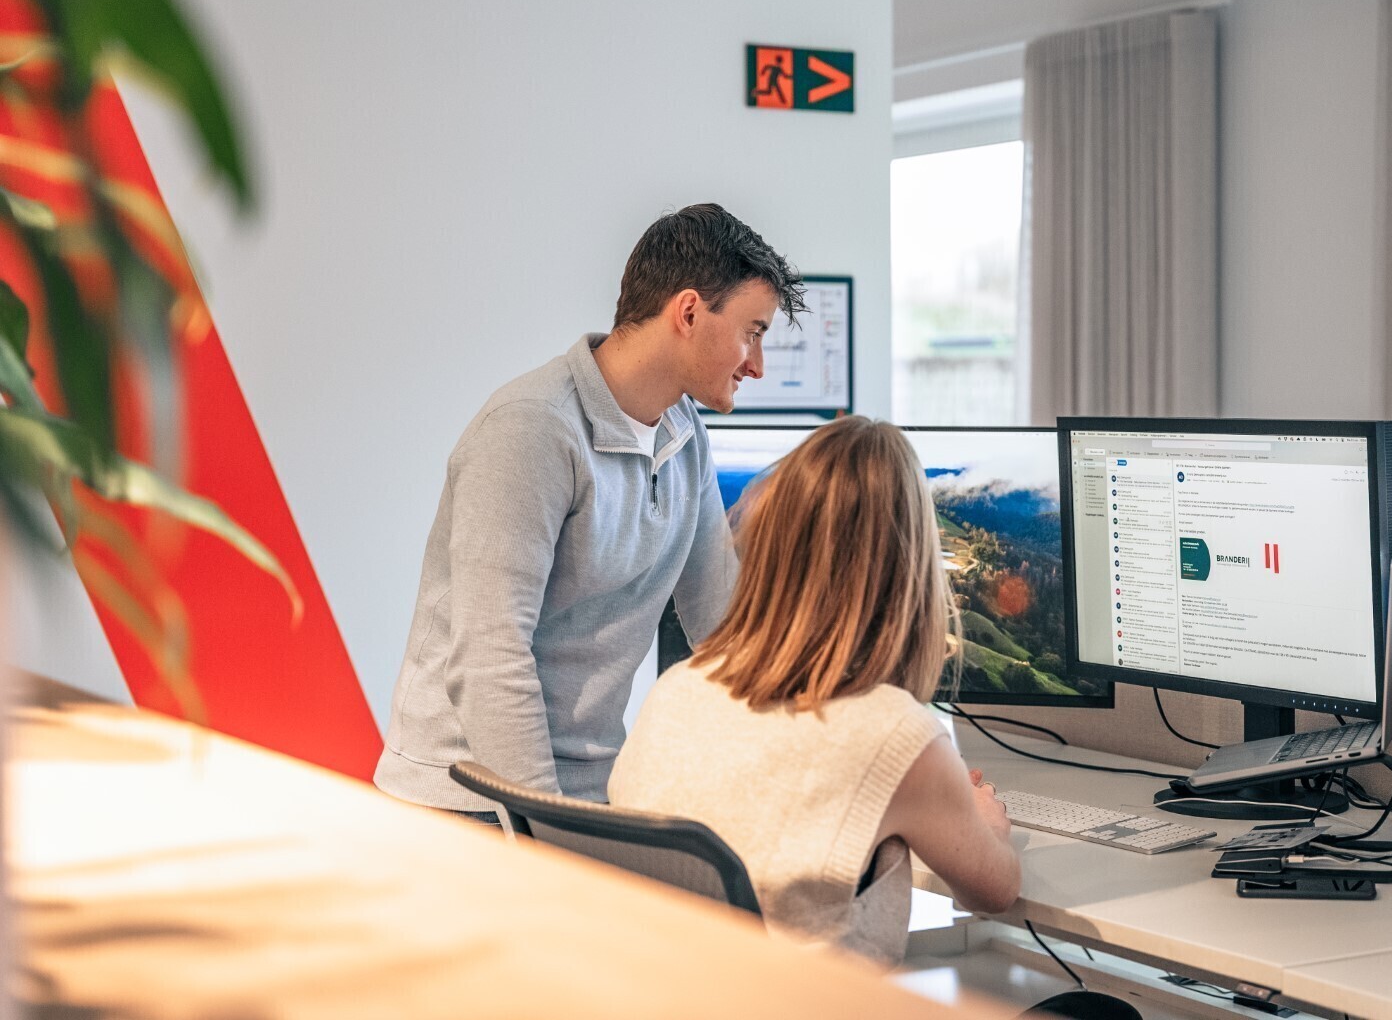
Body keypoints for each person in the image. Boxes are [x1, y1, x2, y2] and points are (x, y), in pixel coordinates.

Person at [375, 204, 806, 822]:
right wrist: (548, 833)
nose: (757, 365)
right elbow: (490, 657)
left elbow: (725, 627)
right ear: (688, 312)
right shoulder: (531, 430)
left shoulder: (683, 434)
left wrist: (845, 747)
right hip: (468, 796)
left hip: (588, 791)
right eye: (753, 332)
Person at [609, 417, 1021, 964]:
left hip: (667, 989)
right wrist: (984, 822)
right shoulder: (894, 732)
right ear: (909, 570)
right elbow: (994, 892)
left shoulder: (679, 688)